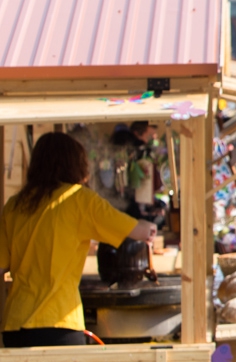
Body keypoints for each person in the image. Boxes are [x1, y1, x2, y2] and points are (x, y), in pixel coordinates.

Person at [0, 132, 157, 347]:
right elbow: (137, 231)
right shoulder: (78, 199)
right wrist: (150, 227)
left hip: (15, 326)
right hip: (59, 324)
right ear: (75, 164)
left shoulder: (15, 205)